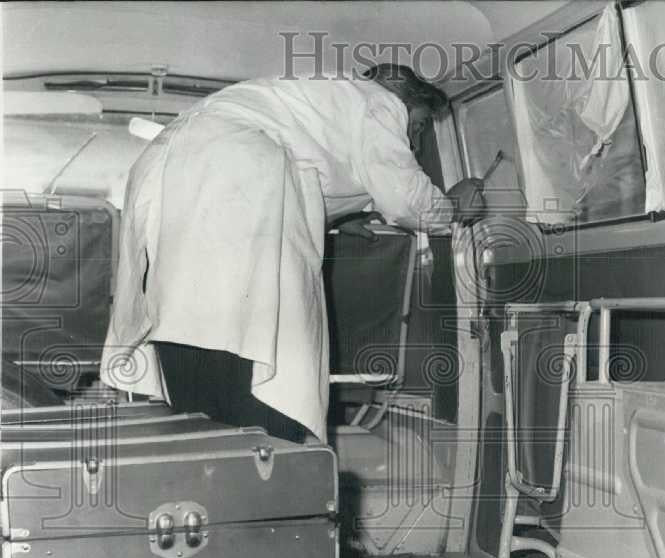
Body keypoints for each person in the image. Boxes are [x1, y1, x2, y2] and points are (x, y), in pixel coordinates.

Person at [100, 64, 485, 443]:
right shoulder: (382, 102)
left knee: (188, 326)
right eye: (417, 128)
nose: (415, 144)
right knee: (266, 365)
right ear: (405, 99)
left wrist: (335, 217)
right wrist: (452, 208)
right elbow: (404, 197)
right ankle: (268, 466)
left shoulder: (319, 100)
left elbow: (309, 168)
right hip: (231, 166)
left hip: (172, 167)